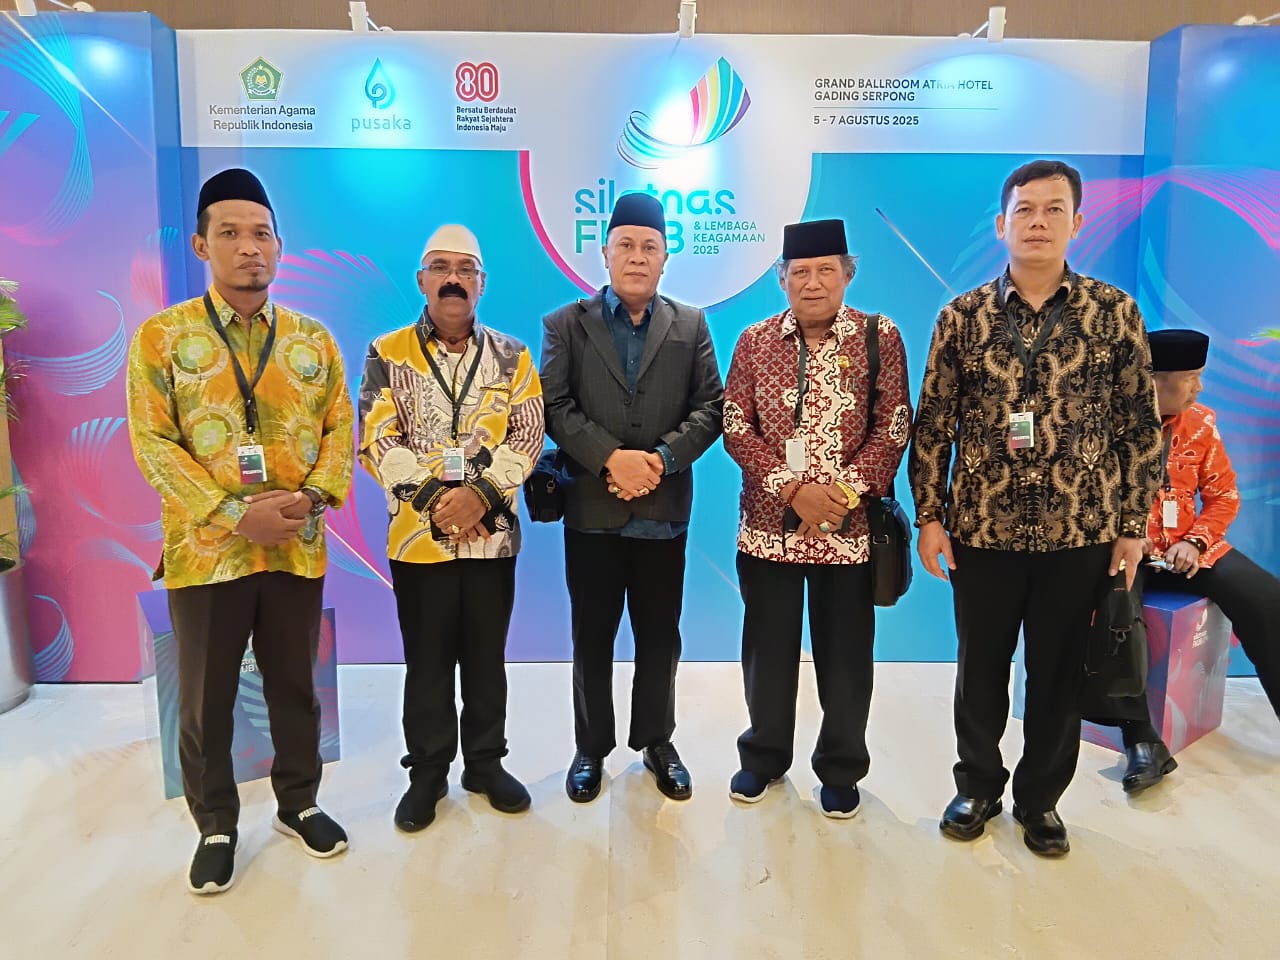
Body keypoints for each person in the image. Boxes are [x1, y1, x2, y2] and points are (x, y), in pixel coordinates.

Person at [908, 159, 1163, 857]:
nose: (1039, 222)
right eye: (1025, 210)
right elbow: (933, 425)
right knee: (980, 673)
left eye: (1054, 210)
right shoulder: (961, 317)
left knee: (1056, 676)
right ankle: (978, 786)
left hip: (1079, 532)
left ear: (1077, 223)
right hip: (981, 532)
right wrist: (929, 516)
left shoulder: (1114, 313)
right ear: (1002, 224)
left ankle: (1040, 800)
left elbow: (1140, 427)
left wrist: (1131, 526)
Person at [127, 168, 354, 894]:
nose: (248, 247)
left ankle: (300, 802)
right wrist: (233, 514)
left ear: (279, 246)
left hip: (295, 546)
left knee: (295, 685)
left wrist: (312, 498)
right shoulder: (163, 338)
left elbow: (339, 430)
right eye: (229, 233)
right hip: (207, 554)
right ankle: (217, 823)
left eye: (261, 234)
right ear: (202, 245)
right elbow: (153, 444)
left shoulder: (313, 340)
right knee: (206, 697)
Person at [721, 219, 911, 819]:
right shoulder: (754, 341)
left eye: (826, 270)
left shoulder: (880, 336)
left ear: (847, 275)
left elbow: (894, 425)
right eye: (799, 272)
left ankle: (841, 767)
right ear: (782, 279)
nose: (812, 283)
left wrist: (839, 498)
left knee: (846, 658)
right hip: (768, 530)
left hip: (849, 533)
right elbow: (736, 426)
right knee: (767, 654)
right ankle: (763, 757)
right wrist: (793, 492)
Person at [358, 224, 544, 831]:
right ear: (422, 280)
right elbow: (377, 438)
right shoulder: (387, 353)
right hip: (417, 539)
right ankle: (428, 772)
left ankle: (485, 764)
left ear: (482, 283)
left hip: (493, 538)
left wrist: (480, 497)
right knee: (428, 660)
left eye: (466, 270)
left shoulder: (513, 356)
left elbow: (528, 435)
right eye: (441, 268)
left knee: (487, 658)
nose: (453, 280)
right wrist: (440, 500)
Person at [540, 192, 724, 803]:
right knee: (591, 636)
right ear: (605, 252)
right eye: (626, 245)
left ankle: (656, 741)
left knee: (660, 637)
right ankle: (590, 747)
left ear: (666, 257)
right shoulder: (566, 324)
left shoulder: (691, 324)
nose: (637, 257)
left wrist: (660, 461)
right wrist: (610, 459)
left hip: (661, 513)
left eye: (649, 247)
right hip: (591, 510)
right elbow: (555, 405)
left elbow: (711, 408)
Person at [1089, 328, 1280, 793]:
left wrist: (1195, 540)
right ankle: (1141, 740)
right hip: (1123, 550)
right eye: (1190, 377)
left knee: (1266, 598)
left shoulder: (1201, 423)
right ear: (1152, 380)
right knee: (1116, 612)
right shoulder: (1101, 425)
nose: (1198, 387)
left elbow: (1223, 496)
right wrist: (1126, 536)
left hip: (1187, 548)